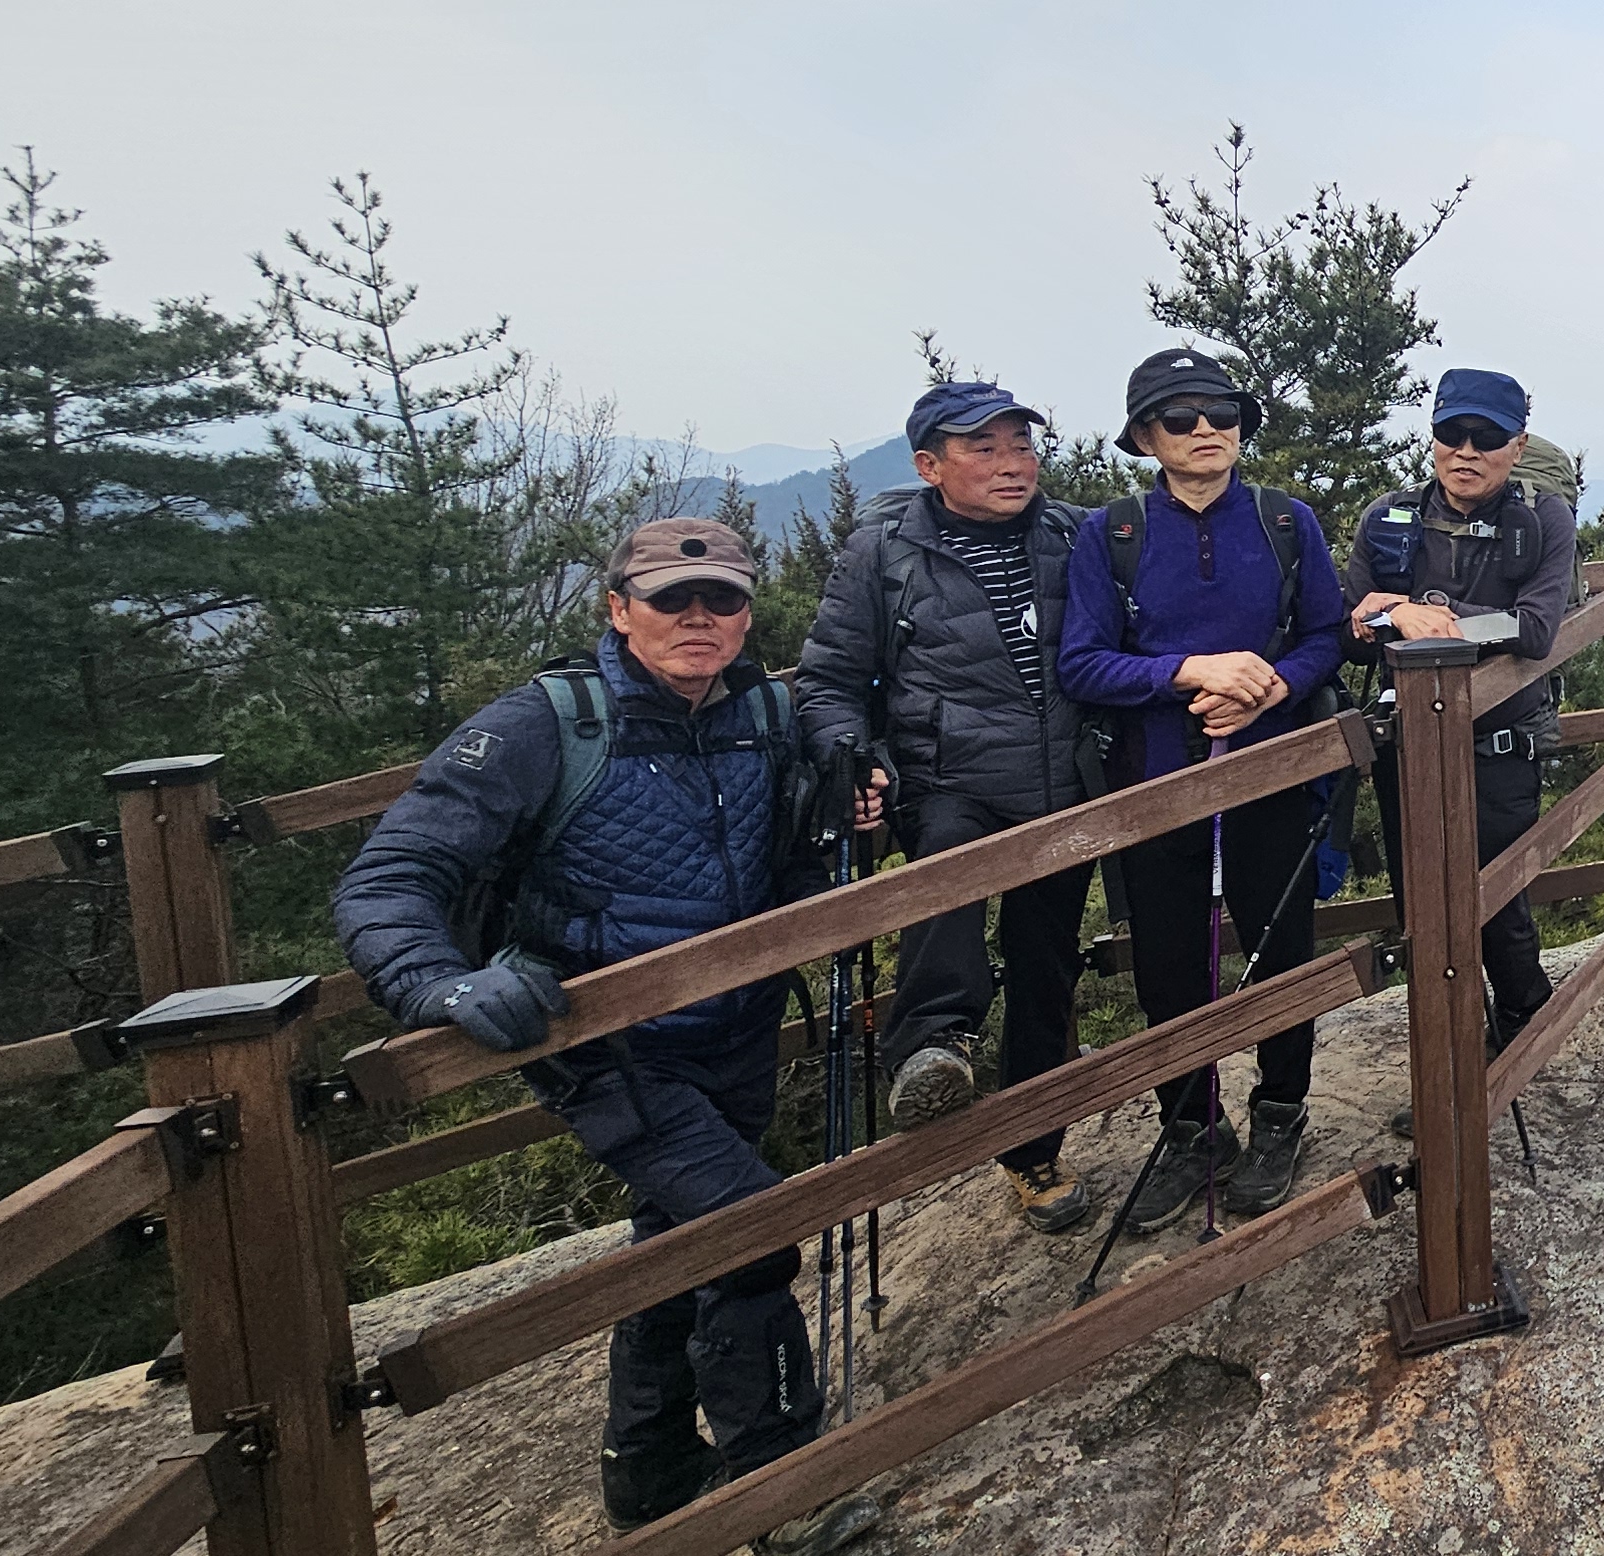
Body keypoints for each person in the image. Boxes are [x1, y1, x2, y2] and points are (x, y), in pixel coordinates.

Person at [333, 519, 882, 1552]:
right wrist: (436, 982)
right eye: (672, 598)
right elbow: (391, 874)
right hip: (605, 1041)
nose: (698, 617)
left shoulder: (766, 711)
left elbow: (790, 850)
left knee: (675, 1235)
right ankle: (783, 1489)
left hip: (737, 1021)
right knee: (750, 1230)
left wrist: (851, 820)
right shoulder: (545, 724)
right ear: (619, 609)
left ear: (746, 614)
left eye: (721, 599)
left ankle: (648, 1464)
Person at [793, 381, 1098, 1234]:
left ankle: (1034, 1153)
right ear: (930, 466)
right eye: (984, 449)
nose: (1012, 464)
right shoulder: (883, 553)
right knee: (946, 892)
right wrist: (848, 755)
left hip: (1065, 786)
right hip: (948, 780)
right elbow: (828, 679)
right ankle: (931, 1045)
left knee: (1047, 975)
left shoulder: (1073, 534)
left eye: (1021, 445)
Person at [1059, 347, 1351, 1231]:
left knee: (1281, 948)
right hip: (1156, 783)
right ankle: (1192, 1130)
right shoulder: (1111, 534)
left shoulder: (1286, 521)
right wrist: (1191, 671)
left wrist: (1270, 685)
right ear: (1145, 437)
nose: (1206, 431)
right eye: (1180, 418)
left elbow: (1328, 635)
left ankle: (1280, 1115)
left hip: (1273, 773)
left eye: (1222, 414)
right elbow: (1082, 662)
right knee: (1168, 967)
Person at [1352, 367, 1580, 1073]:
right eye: (1453, 433)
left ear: (1518, 446)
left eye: (1488, 437)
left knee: (1494, 902)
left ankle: (1521, 1026)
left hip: (1500, 742)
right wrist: (1393, 613)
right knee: (1419, 910)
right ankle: (1447, 1061)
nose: (1467, 451)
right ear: (1433, 438)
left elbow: (1536, 630)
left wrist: (1421, 615)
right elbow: (1348, 625)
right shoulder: (1390, 519)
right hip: (1405, 745)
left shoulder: (1542, 518)